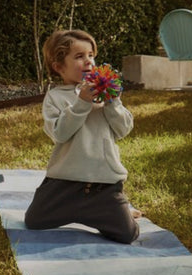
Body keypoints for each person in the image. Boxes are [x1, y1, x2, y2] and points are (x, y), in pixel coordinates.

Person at [24, 29, 139, 244]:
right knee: (33, 220)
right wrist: (83, 102)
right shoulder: (55, 97)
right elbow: (60, 133)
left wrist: (113, 102)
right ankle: (77, 211)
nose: (88, 62)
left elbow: (123, 129)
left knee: (128, 234)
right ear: (59, 67)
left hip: (103, 185)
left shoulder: (106, 94)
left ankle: (117, 208)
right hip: (65, 182)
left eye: (91, 55)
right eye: (79, 57)